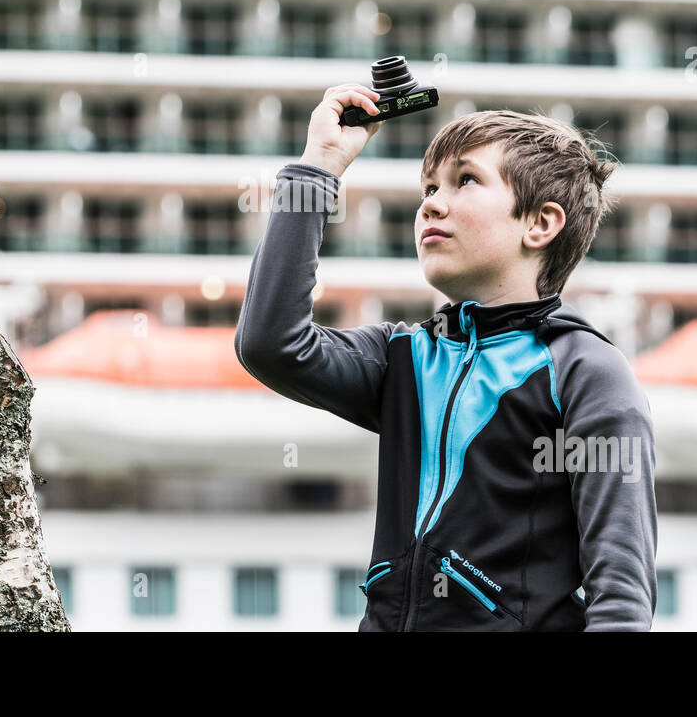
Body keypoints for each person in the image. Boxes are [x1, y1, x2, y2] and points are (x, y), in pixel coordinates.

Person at [234, 83, 657, 631]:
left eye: (465, 181)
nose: (432, 202)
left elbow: (620, 596)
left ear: (540, 224)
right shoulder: (404, 356)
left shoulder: (587, 372)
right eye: (429, 187)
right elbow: (271, 343)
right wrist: (320, 166)